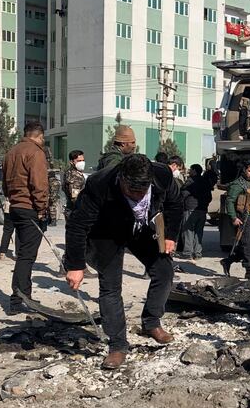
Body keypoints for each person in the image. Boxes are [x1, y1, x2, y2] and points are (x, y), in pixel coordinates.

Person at [64, 154, 183, 370]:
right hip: (106, 234)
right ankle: (117, 346)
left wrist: (170, 235)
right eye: (131, 192)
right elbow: (77, 226)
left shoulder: (163, 175)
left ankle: (151, 322)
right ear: (121, 179)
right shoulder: (99, 185)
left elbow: (176, 204)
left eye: (142, 192)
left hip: (142, 229)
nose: (137, 197)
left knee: (164, 271)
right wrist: (75, 265)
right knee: (110, 287)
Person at [2, 122, 49, 315]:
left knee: (24, 254)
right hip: (30, 208)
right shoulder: (35, 152)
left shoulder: (11, 151)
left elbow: (5, 183)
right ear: (40, 135)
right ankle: (17, 300)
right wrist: (41, 208)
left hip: (15, 207)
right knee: (27, 256)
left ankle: (24, 296)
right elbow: (39, 183)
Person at [221, 161, 250, 277]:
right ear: (244, 170)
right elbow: (230, 201)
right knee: (249, 245)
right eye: (249, 171)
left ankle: (228, 261)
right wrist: (233, 217)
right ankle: (249, 270)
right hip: (243, 218)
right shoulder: (238, 184)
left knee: (248, 244)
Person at [180, 163, 213, 260]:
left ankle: (187, 252)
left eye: (190, 169)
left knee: (188, 230)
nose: (189, 171)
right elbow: (209, 197)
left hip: (191, 209)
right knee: (199, 232)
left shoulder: (190, 181)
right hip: (202, 210)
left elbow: (184, 193)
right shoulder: (205, 182)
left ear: (194, 171)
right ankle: (198, 253)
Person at [64, 150, 86, 220]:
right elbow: (75, 197)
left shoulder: (75, 173)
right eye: (79, 161)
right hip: (76, 212)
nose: (82, 163)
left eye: (83, 160)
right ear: (71, 162)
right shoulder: (74, 176)